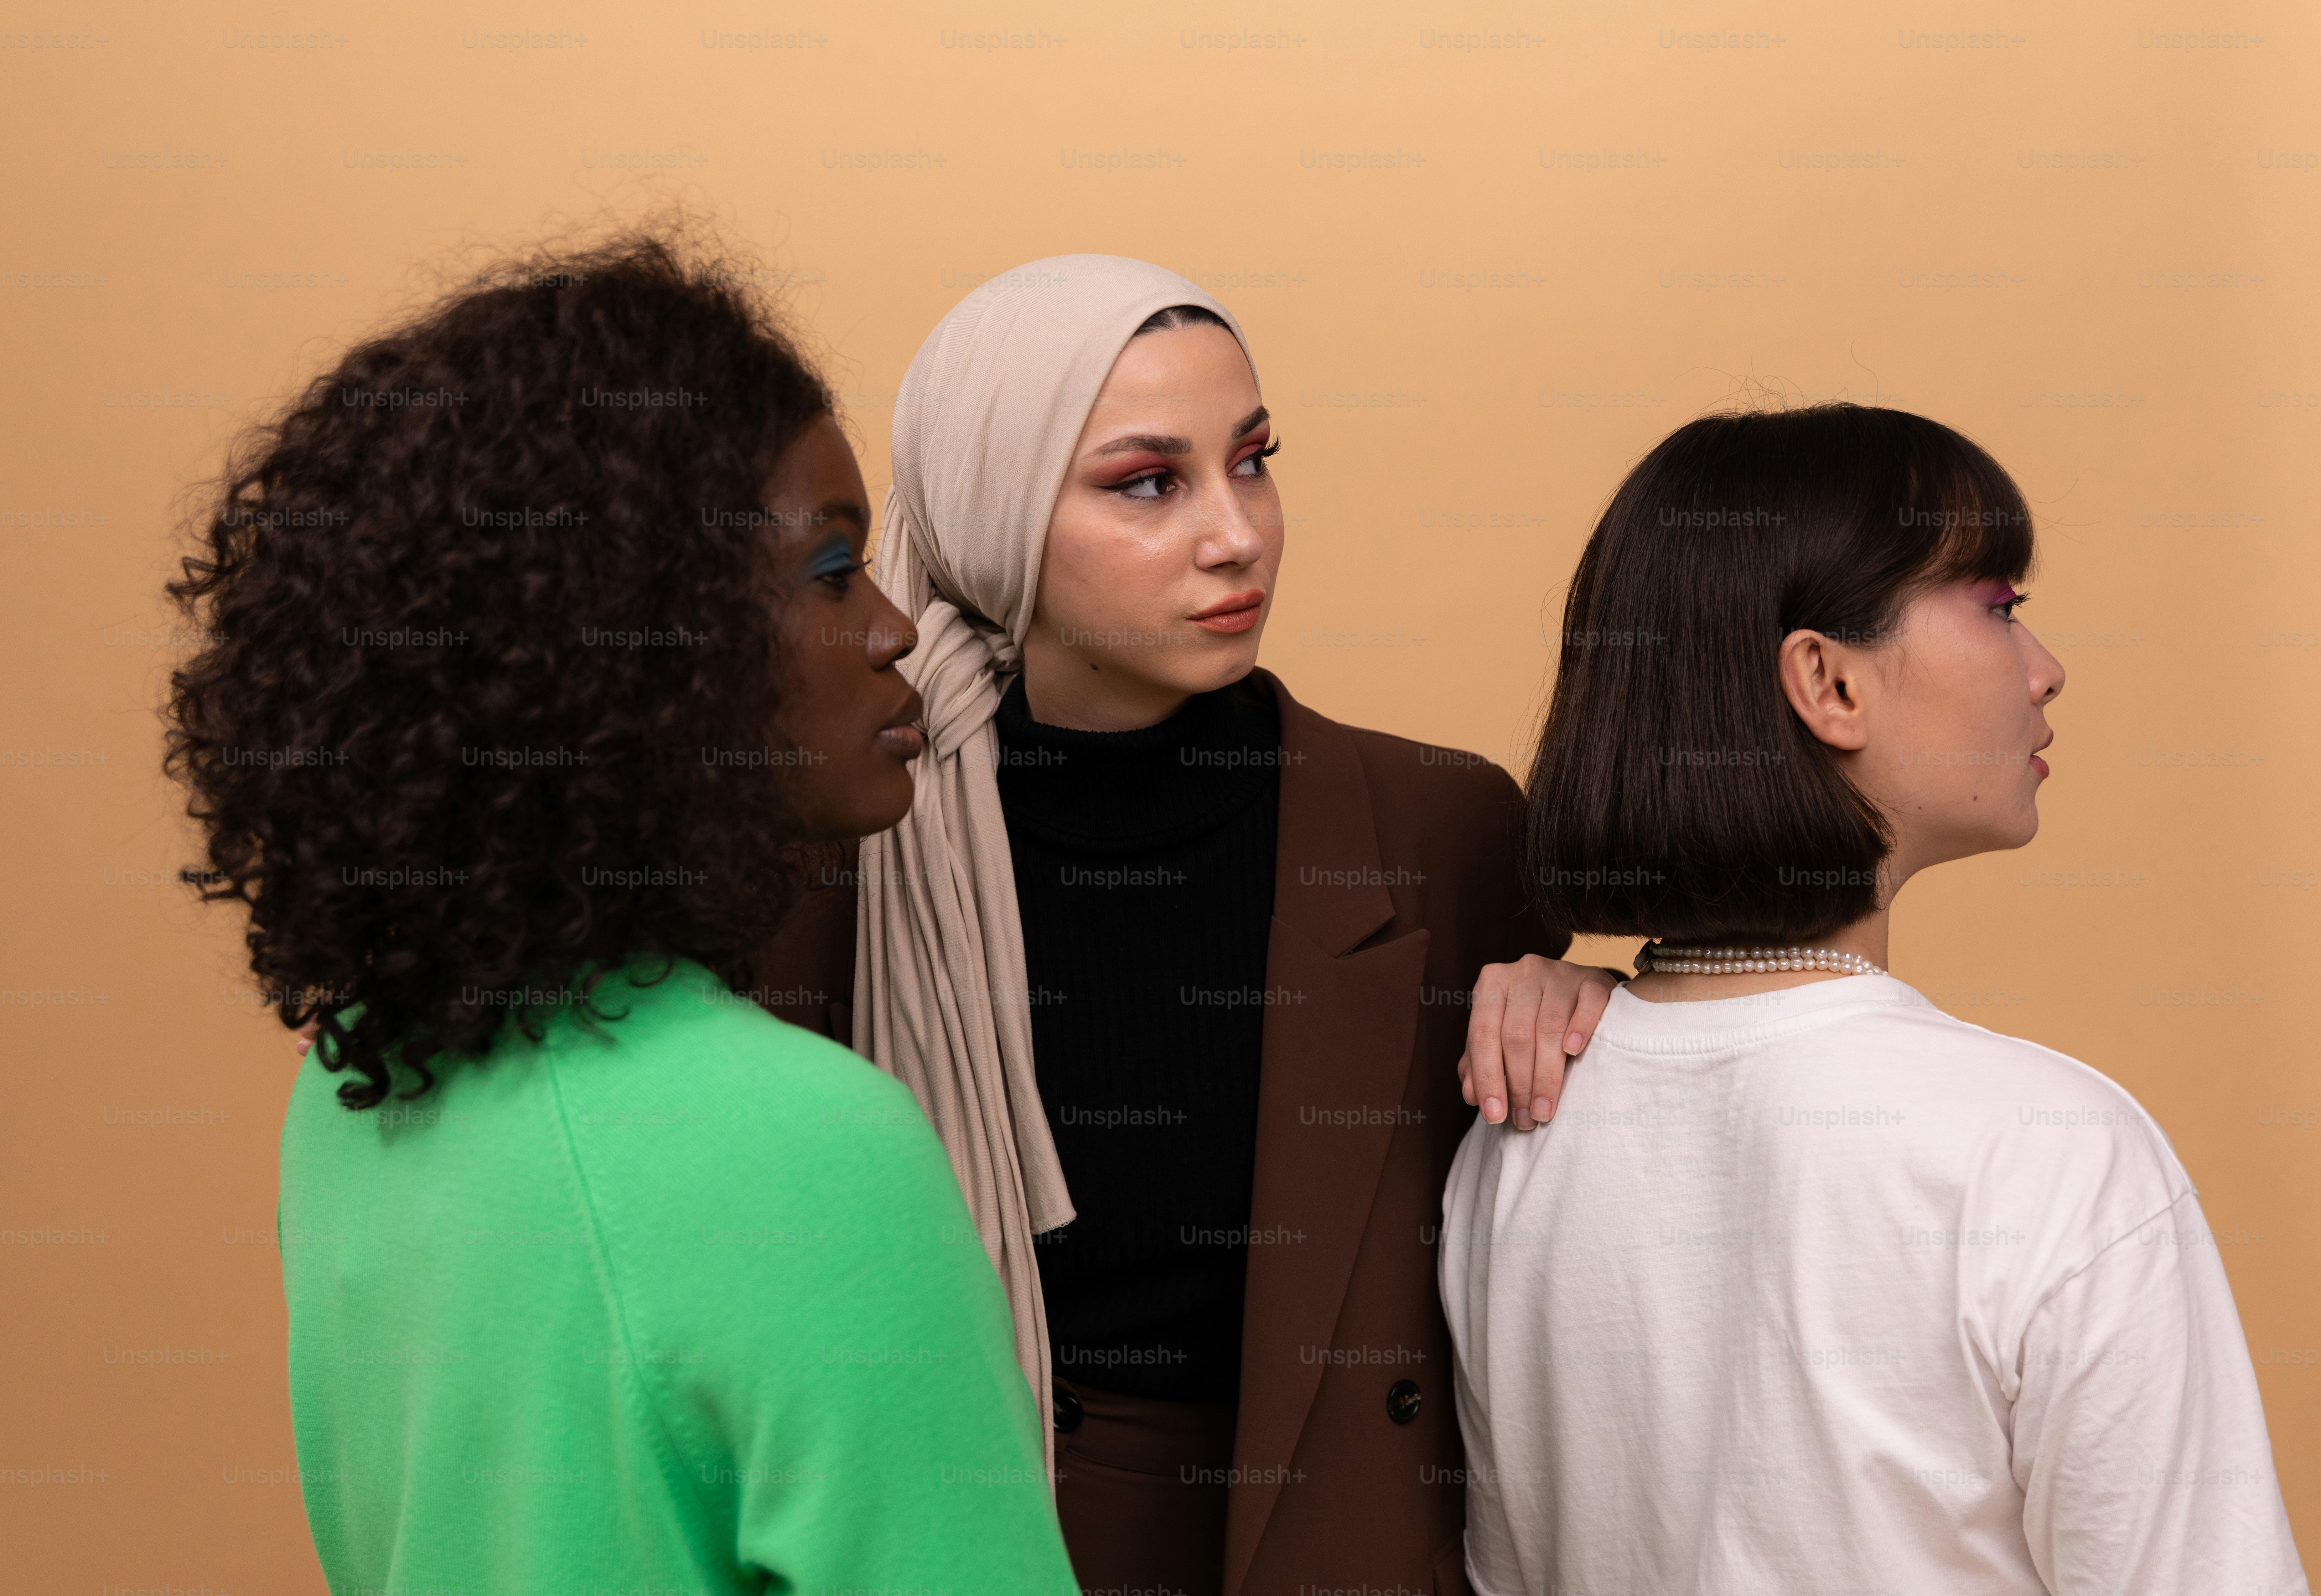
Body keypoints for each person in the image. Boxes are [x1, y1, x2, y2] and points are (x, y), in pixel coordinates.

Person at [163, 232, 1078, 1594]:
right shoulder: (810, 1152)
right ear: (641, 652)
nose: (897, 630)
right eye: (834, 571)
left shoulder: (359, 1084)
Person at [753, 255, 1621, 1596]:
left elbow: (1572, 1231)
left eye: (1255, 462)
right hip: (970, 1545)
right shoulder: (849, 850)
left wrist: (1599, 1012)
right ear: (994, 511)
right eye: (1148, 482)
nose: (1239, 534)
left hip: (1342, 1547)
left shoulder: (1439, 827)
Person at [1439, 404, 2306, 1594]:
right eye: (2000, 608)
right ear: (1828, 683)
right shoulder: (2045, 1149)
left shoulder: (1518, 1144)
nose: (2047, 666)